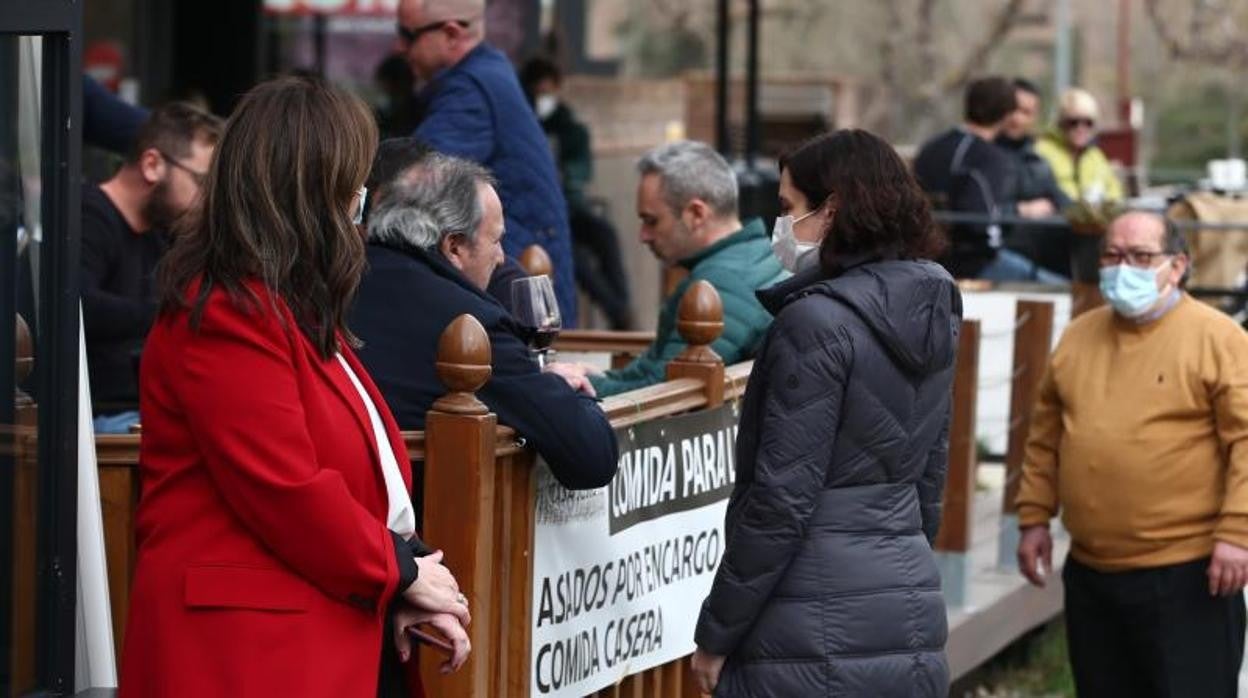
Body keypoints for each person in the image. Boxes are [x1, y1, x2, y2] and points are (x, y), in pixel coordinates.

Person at [119, 76, 470, 698]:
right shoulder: (227, 310)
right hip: (245, 651)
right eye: (353, 192)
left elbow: (359, 479)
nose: (360, 210)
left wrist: (403, 582)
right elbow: (283, 486)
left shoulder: (282, 305)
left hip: (307, 632)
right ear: (310, 195)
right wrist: (403, 571)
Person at [692, 129, 957, 696]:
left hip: (804, 619)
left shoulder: (813, 323)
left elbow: (781, 500)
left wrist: (718, 632)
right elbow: (932, 473)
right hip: (905, 598)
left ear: (831, 208)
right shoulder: (932, 306)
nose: (779, 227)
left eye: (788, 208)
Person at [1015, 210, 1248, 697]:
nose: (1125, 268)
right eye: (1113, 256)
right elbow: (1045, 436)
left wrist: (1238, 532)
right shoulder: (1079, 335)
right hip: (1093, 575)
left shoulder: (1219, 339)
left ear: (1177, 266)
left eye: (1142, 256)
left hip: (1189, 572)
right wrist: (1034, 516)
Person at [350, 152, 619, 493]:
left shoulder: (329, 288)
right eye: (496, 240)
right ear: (454, 246)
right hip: (429, 533)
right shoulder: (471, 326)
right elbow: (592, 458)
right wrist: (565, 389)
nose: (502, 257)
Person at [551, 140, 784, 398]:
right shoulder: (759, 255)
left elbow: (666, 392)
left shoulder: (719, 284)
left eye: (652, 221)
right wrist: (600, 377)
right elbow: (656, 371)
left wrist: (571, 383)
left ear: (696, 214)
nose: (643, 236)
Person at [397, 0, 578, 326]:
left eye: (407, 35)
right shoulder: (487, 75)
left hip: (515, 301)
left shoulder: (471, 91)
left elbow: (408, 188)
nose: (400, 47)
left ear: (452, 34)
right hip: (523, 288)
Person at [82, 102, 222, 433]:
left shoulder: (160, 232)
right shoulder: (88, 217)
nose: (208, 200)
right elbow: (77, 303)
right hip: (101, 419)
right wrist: (169, 313)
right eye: (202, 183)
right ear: (152, 164)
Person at [520, 56, 633, 330]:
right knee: (577, 259)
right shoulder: (523, 124)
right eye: (539, 92)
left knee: (605, 234)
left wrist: (567, 178)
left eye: (548, 91)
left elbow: (580, 170)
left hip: (571, 208)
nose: (543, 98)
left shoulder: (569, 127)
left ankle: (623, 311)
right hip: (543, 217)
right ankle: (616, 311)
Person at [913, 75, 1061, 282]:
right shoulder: (989, 157)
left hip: (924, 256)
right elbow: (980, 220)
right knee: (1062, 289)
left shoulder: (932, 147)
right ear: (1006, 114)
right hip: (972, 264)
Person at [997, 78, 1073, 276]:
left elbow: (1063, 202)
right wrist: (1021, 210)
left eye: (1026, 112)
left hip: (1041, 254)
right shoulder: (984, 157)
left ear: (1035, 117)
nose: (1017, 119)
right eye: (1013, 109)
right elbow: (975, 212)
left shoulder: (1037, 161)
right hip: (1002, 254)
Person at [1034, 87, 1124, 205]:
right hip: (1056, 221)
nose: (1081, 129)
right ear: (1060, 122)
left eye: (1088, 123)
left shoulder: (1095, 156)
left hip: (1093, 220)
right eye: (1073, 122)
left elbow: (1115, 193)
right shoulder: (1041, 151)